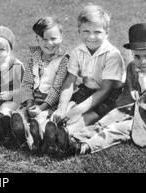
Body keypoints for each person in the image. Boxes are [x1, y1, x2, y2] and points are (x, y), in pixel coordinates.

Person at [55, 23, 146, 155]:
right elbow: (127, 86)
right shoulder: (132, 67)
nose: (142, 62)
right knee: (108, 119)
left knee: (119, 129)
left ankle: (84, 147)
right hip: (134, 108)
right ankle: (74, 137)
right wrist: (118, 103)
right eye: (137, 56)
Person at [49, 4, 125, 152]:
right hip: (88, 89)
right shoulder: (78, 52)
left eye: (97, 32)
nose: (91, 37)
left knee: (90, 115)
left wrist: (79, 110)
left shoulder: (112, 55)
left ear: (106, 33)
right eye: (86, 31)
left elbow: (104, 90)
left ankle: (66, 134)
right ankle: (47, 129)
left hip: (109, 94)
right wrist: (62, 108)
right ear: (78, 31)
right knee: (68, 106)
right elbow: (69, 82)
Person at [10, 17, 69, 151]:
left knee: (40, 118)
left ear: (61, 37)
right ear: (37, 39)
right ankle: (23, 134)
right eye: (44, 39)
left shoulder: (64, 60)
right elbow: (27, 82)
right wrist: (30, 103)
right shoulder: (34, 56)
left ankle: (39, 138)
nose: (49, 43)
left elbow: (57, 88)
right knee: (20, 114)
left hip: (50, 103)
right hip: (33, 100)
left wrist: (41, 107)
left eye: (53, 38)